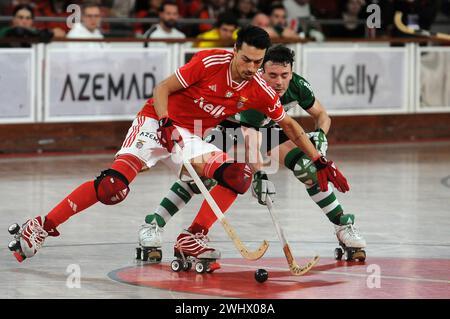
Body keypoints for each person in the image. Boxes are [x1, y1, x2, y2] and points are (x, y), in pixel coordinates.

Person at [9, 26, 348, 265]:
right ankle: (40, 225)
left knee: (238, 176)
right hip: (157, 122)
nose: (252, 68)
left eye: (258, 62)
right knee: (113, 187)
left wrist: (320, 160)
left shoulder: (257, 87)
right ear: (235, 50)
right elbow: (161, 89)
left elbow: (288, 124)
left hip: (190, 134)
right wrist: (167, 122)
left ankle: (192, 237)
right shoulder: (208, 62)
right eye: (246, 60)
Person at [139, 45, 364, 263]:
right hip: (225, 125)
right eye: (272, 75)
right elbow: (250, 138)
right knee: (200, 176)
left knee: (308, 168)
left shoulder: (297, 86)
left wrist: (320, 137)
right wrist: (260, 174)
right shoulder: (255, 88)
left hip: (267, 129)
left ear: (291, 72)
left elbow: (322, 115)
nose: (278, 82)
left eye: (284, 75)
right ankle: (154, 223)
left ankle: (343, 226)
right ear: (261, 72)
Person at [0, 4, 65, 47]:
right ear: (14, 19)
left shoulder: (35, 30)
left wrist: (49, 32)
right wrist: (37, 35)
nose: (24, 21)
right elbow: (18, 31)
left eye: (28, 18)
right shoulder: (5, 31)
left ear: (32, 21)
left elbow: (61, 33)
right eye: (20, 17)